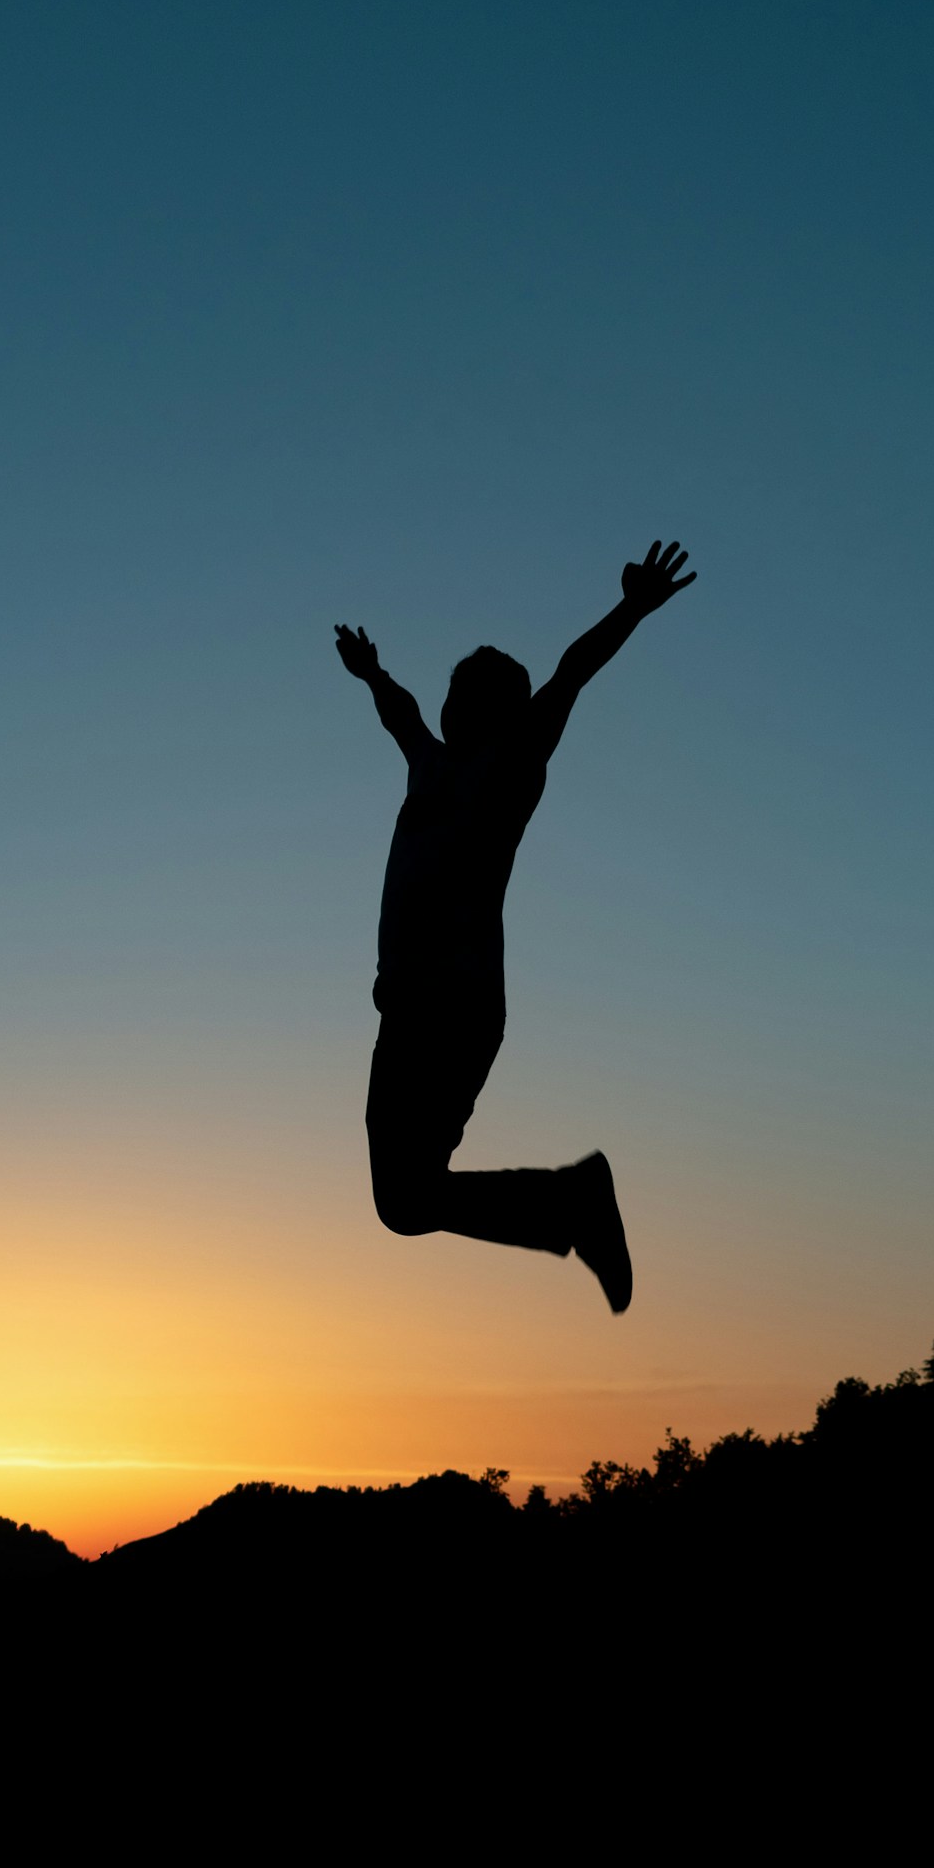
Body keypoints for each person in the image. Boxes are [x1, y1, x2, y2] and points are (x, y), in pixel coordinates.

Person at [335, 539, 696, 1310]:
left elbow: (572, 673)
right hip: (403, 1010)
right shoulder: (427, 764)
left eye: (467, 692)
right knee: (402, 1203)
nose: (450, 702)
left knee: (408, 1199)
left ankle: (575, 1203)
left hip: (454, 1006)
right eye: (451, 689)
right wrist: (372, 675)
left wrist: (631, 608)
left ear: (498, 710)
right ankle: (571, 1201)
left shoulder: (510, 769)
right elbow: (399, 715)